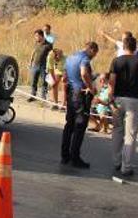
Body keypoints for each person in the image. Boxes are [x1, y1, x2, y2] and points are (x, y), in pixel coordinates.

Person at [109, 35, 138, 177]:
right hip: (134, 101)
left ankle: (116, 162)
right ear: (136, 47)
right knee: (131, 134)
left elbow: (111, 83)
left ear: (124, 46)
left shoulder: (116, 61)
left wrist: (111, 101)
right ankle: (126, 166)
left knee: (117, 131)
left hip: (118, 100)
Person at [60, 41, 99, 169]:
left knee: (69, 125)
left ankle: (64, 155)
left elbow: (64, 78)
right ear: (92, 50)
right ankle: (75, 158)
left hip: (71, 92)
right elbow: (83, 73)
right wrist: (91, 87)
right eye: (95, 54)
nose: (94, 57)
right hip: (80, 94)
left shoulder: (70, 57)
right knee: (80, 126)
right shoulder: (85, 59)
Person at [28, 29, 53, 101]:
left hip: (44, 66)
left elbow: (51, 56)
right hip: (35, 65)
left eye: (37, 36)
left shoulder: (48, 45)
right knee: (33, 81)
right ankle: (33, 96)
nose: (36, 37)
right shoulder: (36, 43)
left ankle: (43, 97)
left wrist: (49, 66)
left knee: (44, 82)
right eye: (35, 36)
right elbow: (33, 52)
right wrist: (30, 61)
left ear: (41, 36)